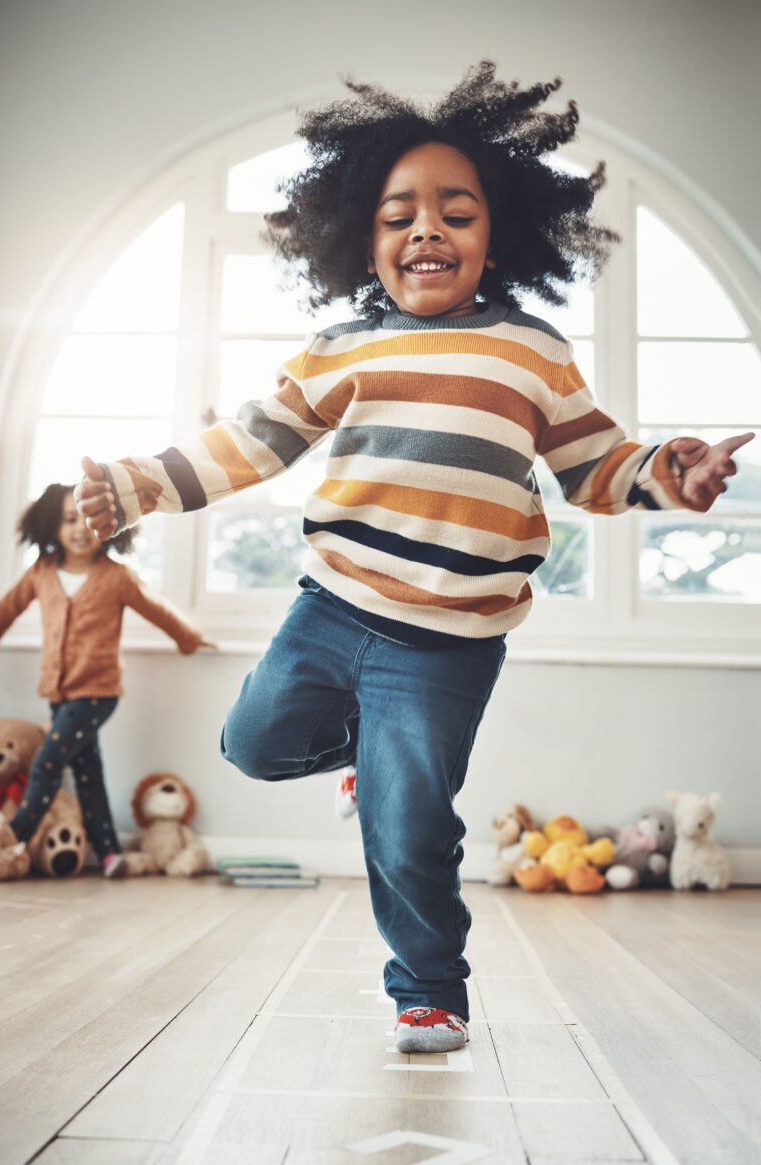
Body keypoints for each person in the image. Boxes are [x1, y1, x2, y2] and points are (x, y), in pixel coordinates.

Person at [74, 63, 752, 1049]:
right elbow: (246, 446)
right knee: (250, 748)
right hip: (331, 609)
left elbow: (594, 467)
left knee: (409, 829)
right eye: (397, 216)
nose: (425, 231)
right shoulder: (335, 349)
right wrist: (139, 482)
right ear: (359, 238)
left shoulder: (530, 353)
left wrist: (668, 472)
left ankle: (426, 989)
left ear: (498, 233)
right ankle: (373, 758)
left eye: (455, 213)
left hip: (446, 647)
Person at [0, 483, 213, 877]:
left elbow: (158, 609)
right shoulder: (42, 572)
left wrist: (190, 637)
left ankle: (12, 844)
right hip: (58, 692)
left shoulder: (116, 577)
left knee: (47, 762)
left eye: (89, 519)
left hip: (97, 692)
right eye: (69, 519)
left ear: (111, 525)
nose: (80, 528)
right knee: (88, 772)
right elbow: (8, 607)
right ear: (52, 525)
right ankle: (110, 853)